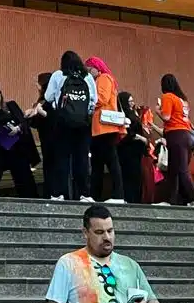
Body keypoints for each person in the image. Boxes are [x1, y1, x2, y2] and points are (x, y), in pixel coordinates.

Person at [44, 51, 97, 202]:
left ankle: (59, 193)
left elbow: (48, 97)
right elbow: (94, 100)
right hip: (83, 124)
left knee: (62, 158)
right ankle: (84, 194)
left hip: (63, 123)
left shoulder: (58, 75)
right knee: (82, 159)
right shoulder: (87, 77)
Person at [0, 87, 38, 197]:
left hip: (16, 148)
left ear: (0, 95)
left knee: (23, 177)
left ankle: (31, 200)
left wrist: (17, 129)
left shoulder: (11, 106)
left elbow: (23, 122)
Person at [86, 57, 126, 204]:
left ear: (97, 67)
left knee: (110, 162)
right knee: (99, 163)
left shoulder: (104, 78)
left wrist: (88, 103)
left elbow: (102, 98)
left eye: (90, 69)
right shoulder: (104, 78)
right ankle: (97, 195)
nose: (89, 73)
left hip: (105, 127)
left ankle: (118, 195)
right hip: (101, 128)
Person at [157, 74, 194, 207]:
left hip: (175, 134)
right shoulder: (183, 100)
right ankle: (171, 200)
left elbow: (166, 117)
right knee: (174, 169)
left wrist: (158, 110)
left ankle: (193, 200)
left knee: (180, 169)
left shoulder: (167, 97)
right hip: (186, 135)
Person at [116, 91, 151, 205]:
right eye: (129, 101)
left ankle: (136, 199)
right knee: (129, 176)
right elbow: (128, 133)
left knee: (136, 177)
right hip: (127, 151)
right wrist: (141, 138)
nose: (132, 103)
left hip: (136, 151)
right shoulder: (123, 115)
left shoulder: (133, 113)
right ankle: (129, 199)